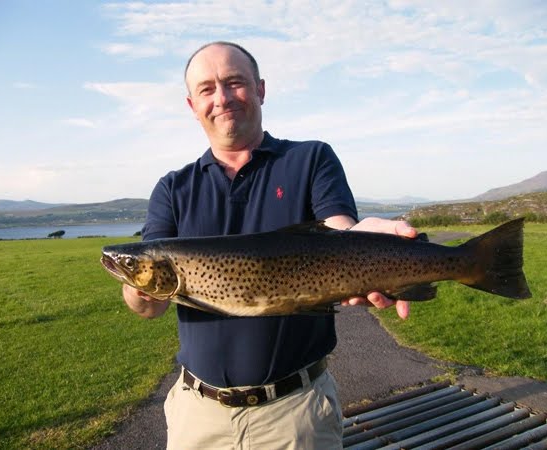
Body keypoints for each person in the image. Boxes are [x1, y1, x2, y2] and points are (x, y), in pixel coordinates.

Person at [122, 41, 417, 449]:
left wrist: (367, 244)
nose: (222, 98)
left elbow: (338, 230)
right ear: (193, 105)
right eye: (207, 89)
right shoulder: (173, 189)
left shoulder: (311, 159)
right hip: (197, 417)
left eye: (234, 82)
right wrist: (136, 287)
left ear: (260, 89)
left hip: (295, 415)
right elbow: (149, 303)